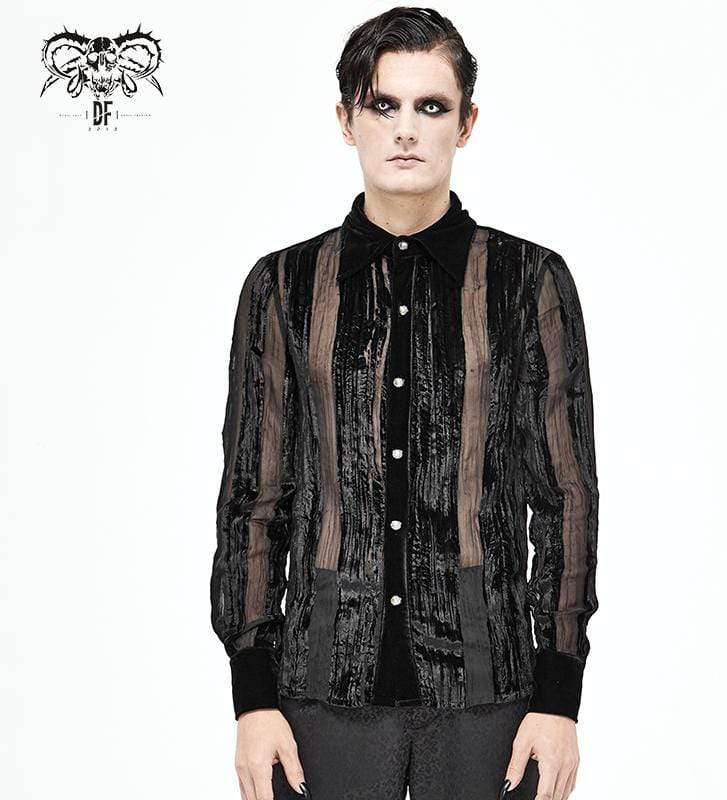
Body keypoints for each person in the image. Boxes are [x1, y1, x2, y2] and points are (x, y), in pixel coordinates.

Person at [210, 7, 599, 800]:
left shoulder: (528, 282)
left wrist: (559, 697)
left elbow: (566, 496)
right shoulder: (283, 286)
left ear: (467, 123)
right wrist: (252, 696)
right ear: (346, 120)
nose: (406, 130)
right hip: (319, 694)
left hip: (492, 699)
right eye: (382, 105)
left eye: (432, 106)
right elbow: (253, 497)